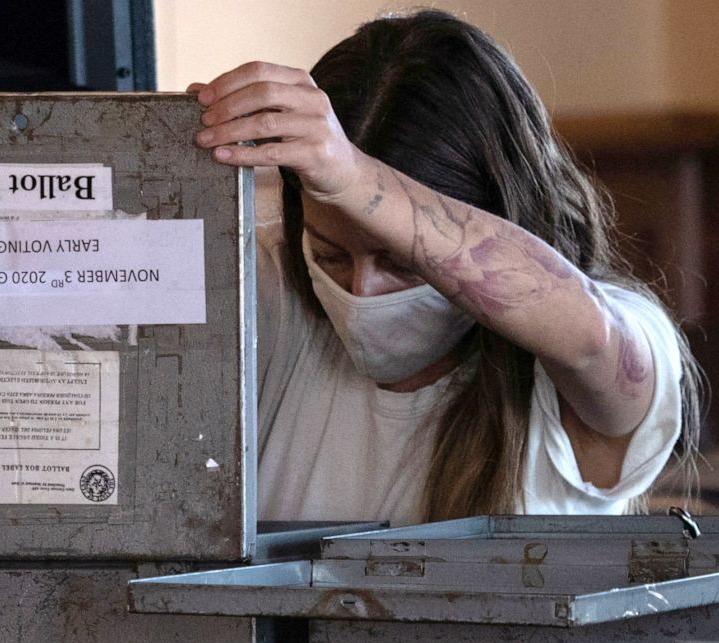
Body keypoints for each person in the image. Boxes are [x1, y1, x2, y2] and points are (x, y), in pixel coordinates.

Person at [187, 9, 703, 525]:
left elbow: (591, 337)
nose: (361, 293)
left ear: (499, 217)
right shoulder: (267, 285)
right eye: (331, 256)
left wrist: (355, 178)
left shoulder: (600, 337)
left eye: (404, 263)